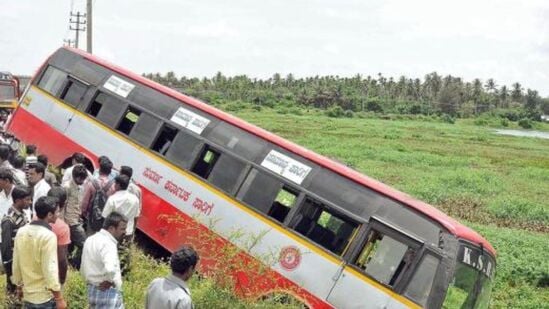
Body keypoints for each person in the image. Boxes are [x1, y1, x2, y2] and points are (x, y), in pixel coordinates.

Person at [12, 196, 67, 309]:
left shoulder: (22, 231)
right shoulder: (48, 236)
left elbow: (16, 263)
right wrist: (59, 298)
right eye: (57, 211)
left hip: (28, 295)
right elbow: (49, 269)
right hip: (44, 297)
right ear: (49, 215)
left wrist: (18, 286)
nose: (59, 214)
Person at [81, 212, 127, 309]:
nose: (125, 232)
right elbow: (110, 269)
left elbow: (83, 266)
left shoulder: (91, 239)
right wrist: (110, 281)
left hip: (92, 290)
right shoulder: (108, 243)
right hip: (107, 292)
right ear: (111, 228)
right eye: (122, 229)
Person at [101, 175, 139, 275]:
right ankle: (123, 273)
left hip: (113, 233)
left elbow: (105, 216)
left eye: (115, 183)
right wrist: (133, 230)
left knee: (110, 253)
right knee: (124, 253)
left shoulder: (112, 199)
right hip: (128, 231)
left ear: (118, 185)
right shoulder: (135, 199)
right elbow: (136, 216)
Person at [0, 185, 31, 296]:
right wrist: (10, 272)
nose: (30, 202)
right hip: (14, 263)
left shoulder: (22, 214)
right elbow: (5, 249)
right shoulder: (9, 220)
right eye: (27, 199)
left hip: (22, 261)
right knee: (13, 293)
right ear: (18, 200)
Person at [62, 164, 89, 269]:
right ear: (76, 177)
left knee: (70, 245)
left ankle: (69, 263)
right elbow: (63, 206)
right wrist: (63, 222)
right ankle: (75, 264)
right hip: (70, 222)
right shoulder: (67, 187)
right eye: (82, 179)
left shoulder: (78, 187)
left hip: (76, 220)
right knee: (84, 244)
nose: (83, 181)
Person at [47, 187, 71, 286]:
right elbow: (61, 259)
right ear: (64, 204)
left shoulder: (34, 218)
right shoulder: (62, 228)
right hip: (52, 274)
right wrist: (62, 279)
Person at [81, 157, 116, 224]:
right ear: (110, 172)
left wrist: (83, 213)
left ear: (99, 169)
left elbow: (85, 201)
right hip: (104, 217)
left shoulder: (92, 183)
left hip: (91, 215)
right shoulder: (113, 186)